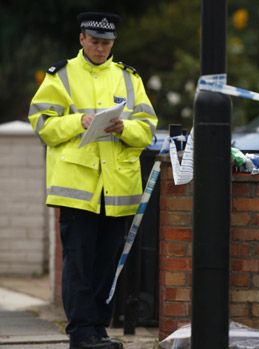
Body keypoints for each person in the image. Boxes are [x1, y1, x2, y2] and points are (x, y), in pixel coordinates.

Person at [28, 12, 157, 349]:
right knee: (79, 266)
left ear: (113, 43)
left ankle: (98, 330)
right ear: (82, 39)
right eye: (95, 41)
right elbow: (42, 123)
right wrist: (78, 122)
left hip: (117, 190)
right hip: (77, 189)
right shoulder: (61, 76)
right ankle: (81, 333)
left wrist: (125, 127)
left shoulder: (128, 78)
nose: (101, 48)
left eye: (107, 43)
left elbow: (147, 128)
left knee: (106, 265)